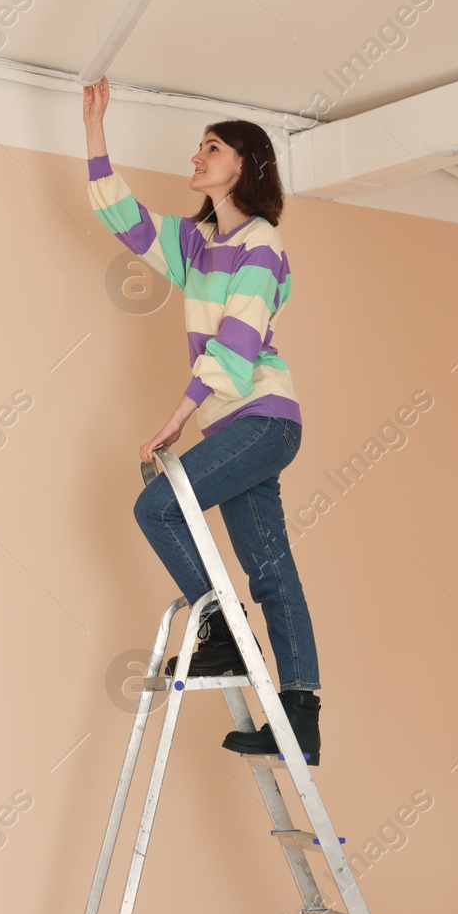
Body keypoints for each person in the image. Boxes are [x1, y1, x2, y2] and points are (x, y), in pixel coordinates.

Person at [82, 75, 323, 764]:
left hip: (265, 418)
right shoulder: (197, 247)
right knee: (271, 568)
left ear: (241, 164)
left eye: (210, 148)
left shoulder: (262, 245)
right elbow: (124, 219)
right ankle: (298, 716)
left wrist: (177, 417)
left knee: (158, 507)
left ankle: (220, 630)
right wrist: (96, 130)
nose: (196, 156)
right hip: (236, 427)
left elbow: (237, 345)